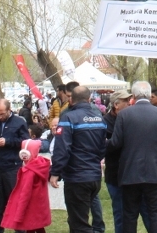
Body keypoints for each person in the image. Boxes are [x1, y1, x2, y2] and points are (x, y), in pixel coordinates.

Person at [109, 81, 157, 233]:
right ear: (149, 94)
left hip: (130, 172)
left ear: (133, 96)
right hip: (155, 172)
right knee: (156, 215)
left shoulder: (124, 114)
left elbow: (116, 143)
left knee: (130, 215)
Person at [50, 86, 107, 233]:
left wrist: (55, 172)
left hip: (77, 176)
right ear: (89, 99)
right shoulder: (99, 118)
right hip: (94, 175)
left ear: (71, 99)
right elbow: (103, 147)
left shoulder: (68, 117)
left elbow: (62, 148)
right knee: (78, 219)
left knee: (78, 224)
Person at [0, 99, 30, 233]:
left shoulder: (19, 122)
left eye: (2, 114)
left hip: (12, 167)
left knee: (15, 201)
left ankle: (20, 230)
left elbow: (25, 141)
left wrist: (8, 142)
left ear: (9, 110)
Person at [104, 90, 140, 233]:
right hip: (115, 173)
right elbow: (109, 146)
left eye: (129, 100)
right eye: (126, 101)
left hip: (132, 173)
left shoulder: (132, 118)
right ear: (116, 105)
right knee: (119, 212)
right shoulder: (105, 122)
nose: (129, 103)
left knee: (133, 212)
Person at [1, 139, 51, 233]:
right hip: (39, 206)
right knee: (38, 226)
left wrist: (19, 214)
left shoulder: (29, 172)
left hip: (30, 206)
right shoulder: (39, 165)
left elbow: (25, 193)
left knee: (31, 226)